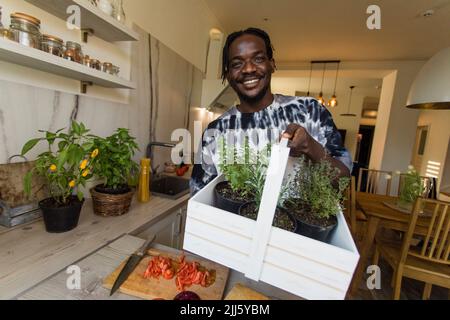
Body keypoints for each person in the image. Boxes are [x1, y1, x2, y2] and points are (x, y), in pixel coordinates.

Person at [190, 27, 352, 195]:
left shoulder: (310, 111)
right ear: (228, 74)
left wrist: (311, 147)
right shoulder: (215, 131)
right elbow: (198, 195)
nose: (248, 69)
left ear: (272, 64)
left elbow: (343, 182)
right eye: (237, 64)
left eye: (258, 59)